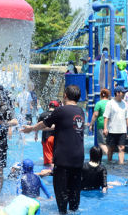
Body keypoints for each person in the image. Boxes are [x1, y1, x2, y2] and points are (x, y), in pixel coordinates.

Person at [21, 85, 85, 214]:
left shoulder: (60, 111)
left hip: (63, 158)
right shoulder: (81, 111)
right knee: (74, 194)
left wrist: (31, 129)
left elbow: (44, 124)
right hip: (78, 158)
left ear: (65, 95)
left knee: (62, 196)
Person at [103, 86, 128, 164]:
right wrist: (105, 128)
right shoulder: (110, 103)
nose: (124, 94)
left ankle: (121, 164)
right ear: (117, 93)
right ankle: (109, 162)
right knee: (111, 148)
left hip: (122, 130)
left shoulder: (125, 103)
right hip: (112, 130)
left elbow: (127, 117)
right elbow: (106, 117)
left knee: (122, 148)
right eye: (123, 93)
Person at [35, 100, 60, 167]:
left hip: (47, 138)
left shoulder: (43, 114)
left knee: (48, 162)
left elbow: (37, 125)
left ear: (49, 106)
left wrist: (36, 135)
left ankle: (50, 173)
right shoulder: (58, 114)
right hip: (57, 139)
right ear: (57, 107)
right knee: (56, 158)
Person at [88, 88, 111, 155]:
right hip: (112, 125)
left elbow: (95, 114)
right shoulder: (111, 103)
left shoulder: (99, 103)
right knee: (108, 143)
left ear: (101, 95)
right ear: (108, 95)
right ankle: (109, 158)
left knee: (101, 143)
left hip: (102, 125)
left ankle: (108, 156)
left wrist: (91, 124)